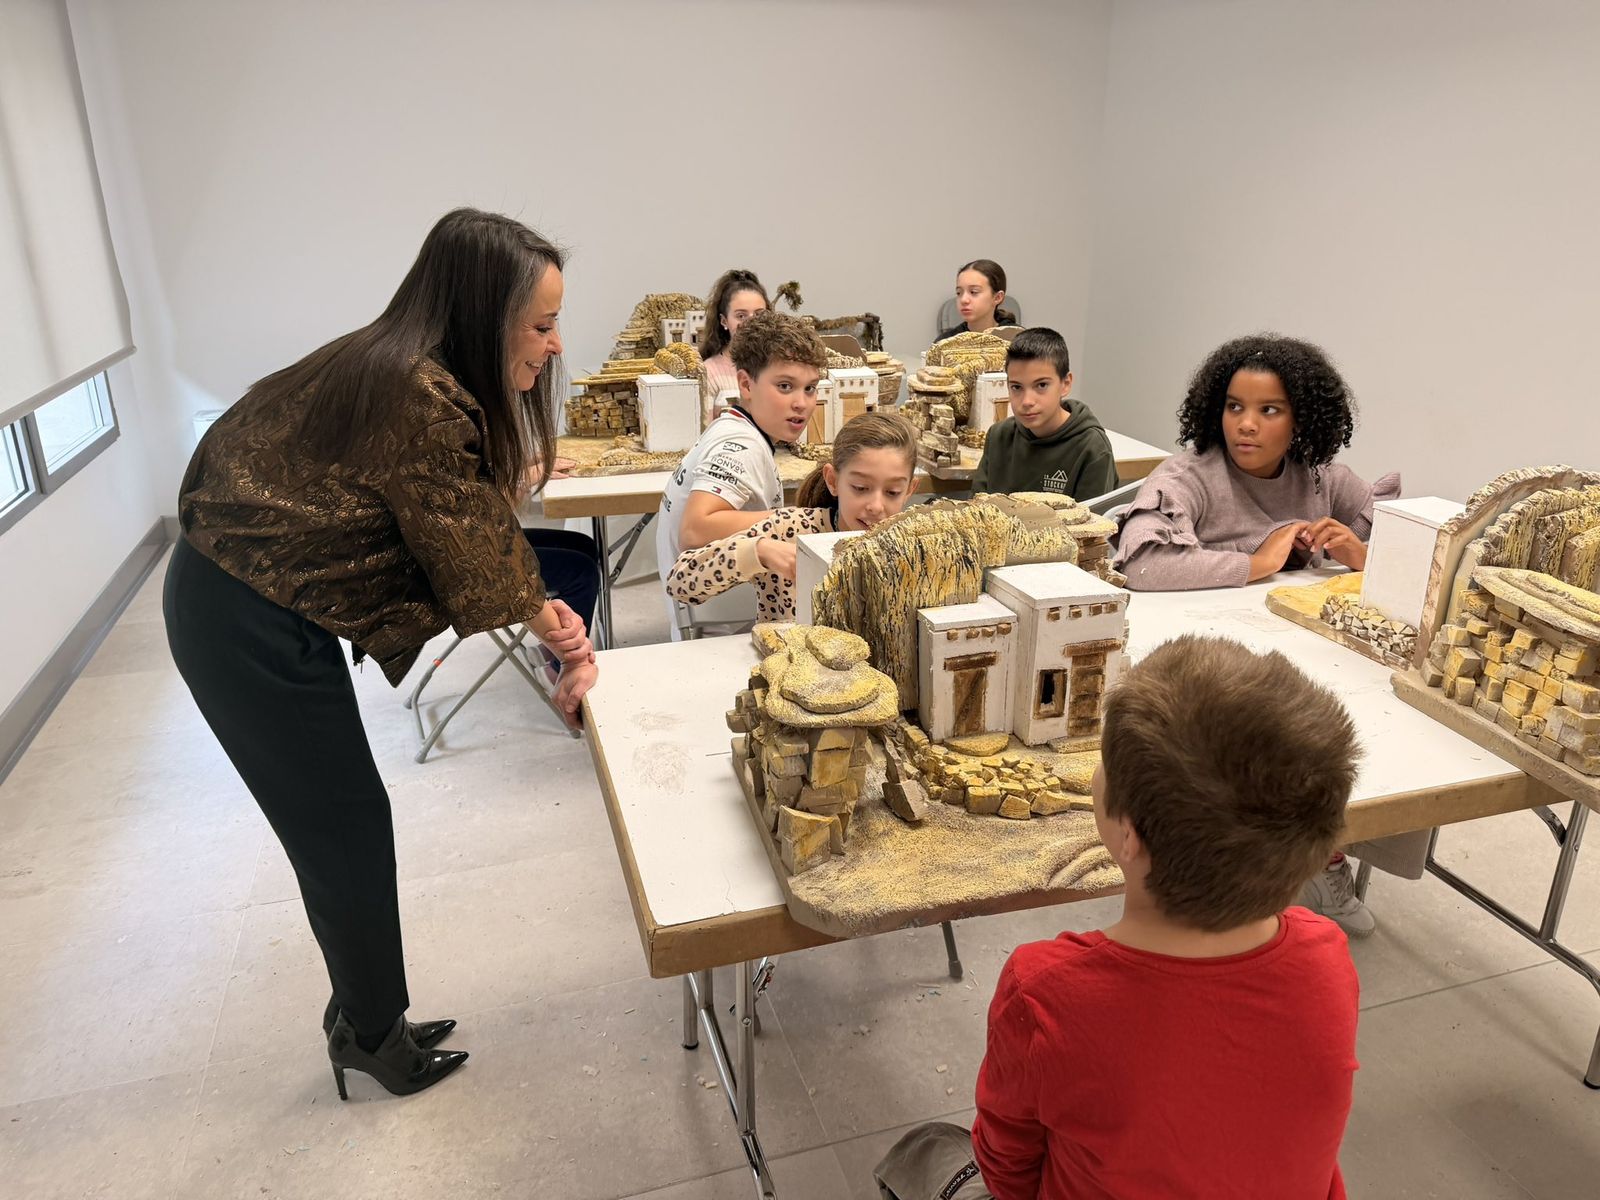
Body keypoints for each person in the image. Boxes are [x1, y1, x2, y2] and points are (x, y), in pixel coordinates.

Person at [164, 208, 597, 1100]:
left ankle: (366, 1012)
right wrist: (555, 625)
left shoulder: (400, 363)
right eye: (543, 326)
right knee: (345, 831)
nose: (554, 348)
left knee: (346, 824)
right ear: (485, 313)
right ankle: (368, 1032)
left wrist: (539, 606)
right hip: (243, 612)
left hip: (251, 595)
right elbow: (472, 546)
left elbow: (470, 527)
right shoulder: (417, 392)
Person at [875, 635, 1361, 1200]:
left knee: (929, 1147)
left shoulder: (1045, 991)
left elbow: (1008, 1175)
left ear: (1128, 834)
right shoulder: (1325, 953)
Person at [1113, 333, 1406, 935]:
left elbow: (1400, 540)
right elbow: (1142, 565)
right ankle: (1235, 870)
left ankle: (1326, 850)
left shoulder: (1323, 477)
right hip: (1210, 662)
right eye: (1234, 407)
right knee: (1237, 755)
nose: (1246, 425)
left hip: (1297, 651)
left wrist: (1363, 554)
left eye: (1269, 411)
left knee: (1355, 736)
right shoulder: (1189, 475)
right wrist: (1256, 562)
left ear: (1302, 419)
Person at [664, 412, 917, 622]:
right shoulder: (790, 531)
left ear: (909, 491)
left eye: (892, 492)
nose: (875, 506)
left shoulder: (917, 548)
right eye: (860, 488)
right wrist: (756, 551)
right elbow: (679, 583)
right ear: (833, 481)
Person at [656, 310, 827, 574]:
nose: (801, 403)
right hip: (720, 598)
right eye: (784, 386)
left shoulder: (735, 425)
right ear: (746, 385)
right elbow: (693, 530)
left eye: (810, 388)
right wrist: (794, 521)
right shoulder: (741, 446)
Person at [970, 327, 1119, 501]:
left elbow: (1094, 525)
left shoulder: (1092, 449)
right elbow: (976, 509)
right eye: (1016, 387)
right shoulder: (999, 436)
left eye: (1041, 385)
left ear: (1065, 384)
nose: (1027, 401)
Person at [698, 268, 770, 425]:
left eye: (759, 314)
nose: (751, 322)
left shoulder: (776, 366)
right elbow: (703, 435)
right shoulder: (709, 373)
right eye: (741, 316)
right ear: (724, 321)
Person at [938, 259, 1018, 340]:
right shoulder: (946, 341)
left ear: (998, 297)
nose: (963, 300)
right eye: (959, 293)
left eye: (973, 292)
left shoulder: (1017, 338)